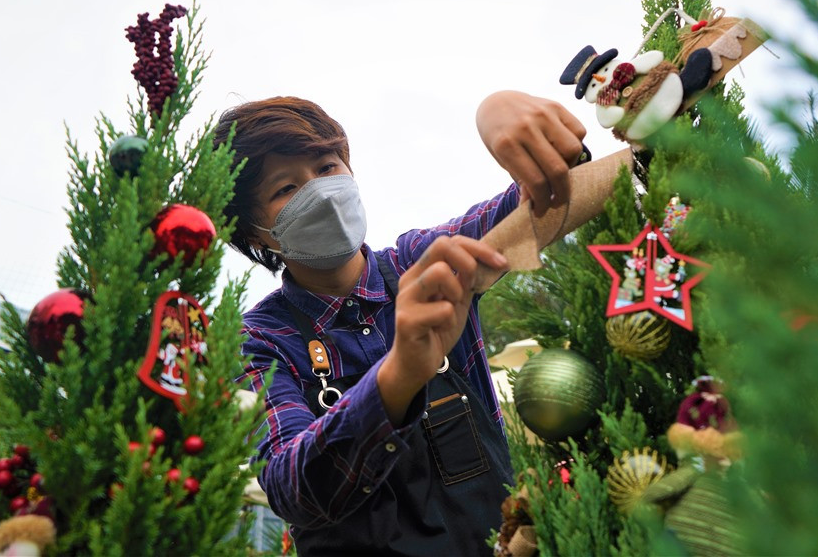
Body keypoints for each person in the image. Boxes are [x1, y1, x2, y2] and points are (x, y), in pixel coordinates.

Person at [215, 90, 588, 556]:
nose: (319, 193)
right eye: (286, 188)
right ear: (253, 232)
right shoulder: (258, 341)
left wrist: (499, 112)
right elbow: (293, 485)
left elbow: (544, 203)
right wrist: (400, 373)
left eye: (327, 167)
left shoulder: (422, 263)